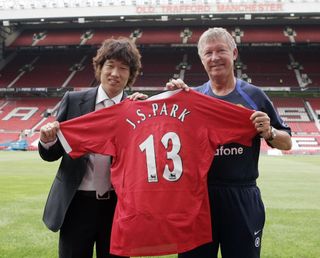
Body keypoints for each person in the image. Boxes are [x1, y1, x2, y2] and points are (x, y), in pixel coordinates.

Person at [166, 27, 292, 258]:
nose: (214, 58)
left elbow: (287, 142)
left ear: (234, 53)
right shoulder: (191, 98)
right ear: (201, 59)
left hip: (241, 194)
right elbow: (160, 124)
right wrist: (150, 100)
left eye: (221, 50)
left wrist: (270, 132)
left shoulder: (254, 96)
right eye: (208, 53)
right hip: (199, 197)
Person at [38, 37, 141, 258]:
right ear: (100, 67)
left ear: (130, 75)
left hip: (117, 208)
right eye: (110, 65)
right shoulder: (74, 100)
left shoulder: (137, 108)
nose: (115, 73)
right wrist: (48, 140)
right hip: (76, 205)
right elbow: (54, 153)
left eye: (123, 68)